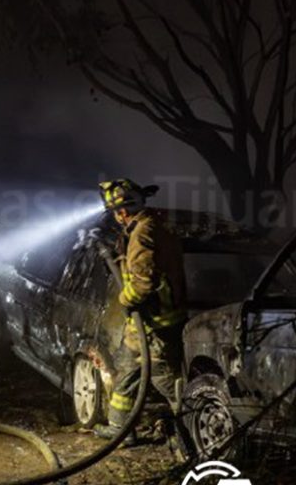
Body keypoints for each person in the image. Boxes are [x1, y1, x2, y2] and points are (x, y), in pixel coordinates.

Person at [92, 179, 189, 446]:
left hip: (157, 322)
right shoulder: (149, 227)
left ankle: (190, 424)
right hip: (144, 325)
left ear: (122, 211)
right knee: (127, 372)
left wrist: (125, 298)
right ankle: (120, 429)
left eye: (115, 212)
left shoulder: (143, 234)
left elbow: (144, 283)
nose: (115, 217)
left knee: (164, 378)